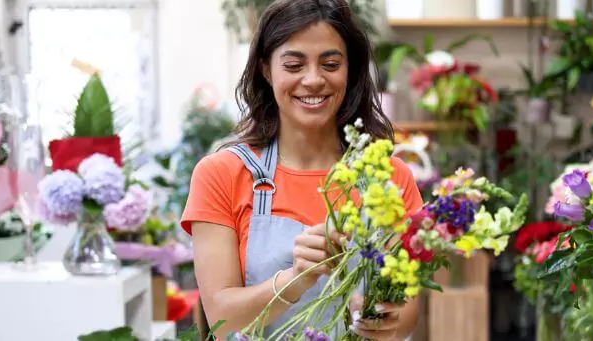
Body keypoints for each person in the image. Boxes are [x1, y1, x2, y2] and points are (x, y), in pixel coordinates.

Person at [179, 0, 424, 339]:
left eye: (331, 64)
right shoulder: (221, 174)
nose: (313, 80)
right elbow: (221, 321)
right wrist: (296, 278)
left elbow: (407, 311)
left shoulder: (389, 177)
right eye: (294, 65)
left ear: (350, 69)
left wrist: (379, 316)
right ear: (266, 70)